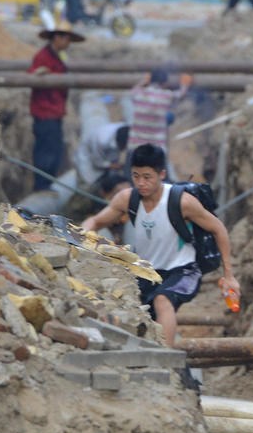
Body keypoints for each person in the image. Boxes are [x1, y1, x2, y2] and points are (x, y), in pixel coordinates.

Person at [80, 144, 240, 347]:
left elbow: (219, 228)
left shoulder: (181, 202)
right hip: (146, 271)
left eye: (147, 177)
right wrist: (82, 236)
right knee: (129, 304)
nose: (141, 183)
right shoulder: (128, 199)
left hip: (183, 269)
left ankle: (167, 360)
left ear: (162, 174)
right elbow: (96, 221)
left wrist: (229, 275)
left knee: (163, 300)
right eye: (135, 176)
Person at [28, 21, 85, 192]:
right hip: (45, 113)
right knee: (46, 151)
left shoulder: (56, 57)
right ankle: (41, 186)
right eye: (66, 39)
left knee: (54, 150)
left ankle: (47, 184)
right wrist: (39, 75)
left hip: (54, 113)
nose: (68, 44)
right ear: (57, 38)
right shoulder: (43, 57)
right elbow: (32, 75)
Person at [74, 122, 129, 192]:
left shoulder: (124, 130)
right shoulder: (101, 140)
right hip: (88, 160)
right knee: (89, 188)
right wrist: (112, 165)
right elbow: (97, 161)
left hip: (105, 156)